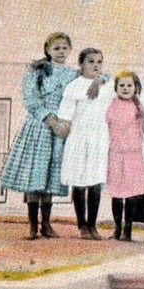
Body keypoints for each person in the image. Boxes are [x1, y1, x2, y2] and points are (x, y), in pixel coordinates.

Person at [1, 33, 83, 240]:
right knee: (34, 176)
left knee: (49, 178)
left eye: (65, 48)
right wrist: (50, 120)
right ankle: (32, 225)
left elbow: (99, 78)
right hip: (39, 127)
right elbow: (31, 98)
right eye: (57, 48)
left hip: (60, 129)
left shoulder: (73, 74)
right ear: (48, 50)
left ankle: (46, 224)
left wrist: (98, 79)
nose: (61, 52)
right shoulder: (37, 71)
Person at [57, 48, 115, 240]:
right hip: (79, 137)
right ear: (81, 64)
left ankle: (93, 224)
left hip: (99, 137)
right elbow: (66, 116)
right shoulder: (73, 87)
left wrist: (101, 80)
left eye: (99, 61)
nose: (96, 65)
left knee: (96, 181)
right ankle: (82, 225)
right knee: (80, 181)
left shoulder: (108, 85)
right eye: (91, 61)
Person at [105, 72, 144, 242]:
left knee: (132, 194)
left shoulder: (139, 107)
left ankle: (128, 228)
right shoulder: (111, 105)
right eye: (122, 85)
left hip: (134, 154)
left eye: (129, 86)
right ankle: (117, 228)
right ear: (116, 88)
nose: (126, 89)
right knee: (117, 193)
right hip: (116, 154)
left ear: (136, 88)